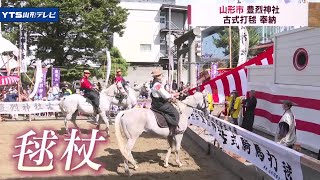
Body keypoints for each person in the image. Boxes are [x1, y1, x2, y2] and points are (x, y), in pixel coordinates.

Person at [150, 69, 180, 135]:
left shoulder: (155, 84)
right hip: (160, 104)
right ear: (157, 76)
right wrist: (174, 95)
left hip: (156, 103)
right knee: (175, 112)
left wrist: (170, 94)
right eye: (161, 75)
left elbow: (163, 93)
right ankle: (174, 129)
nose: (162, 76)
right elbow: (166, 96)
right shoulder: (158, 85)